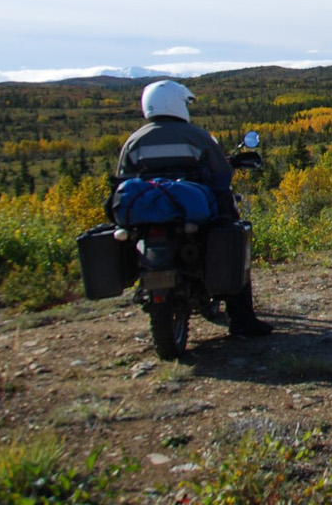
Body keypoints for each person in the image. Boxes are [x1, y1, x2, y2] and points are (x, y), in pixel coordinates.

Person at [116, 80, 273, 337]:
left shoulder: (134, 141)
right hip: (189, 213)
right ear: (176, 104)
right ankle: (242, 320)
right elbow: (222, 174)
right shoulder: (196, 136)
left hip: (146, 218)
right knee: (233, 239)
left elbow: (123, 181)